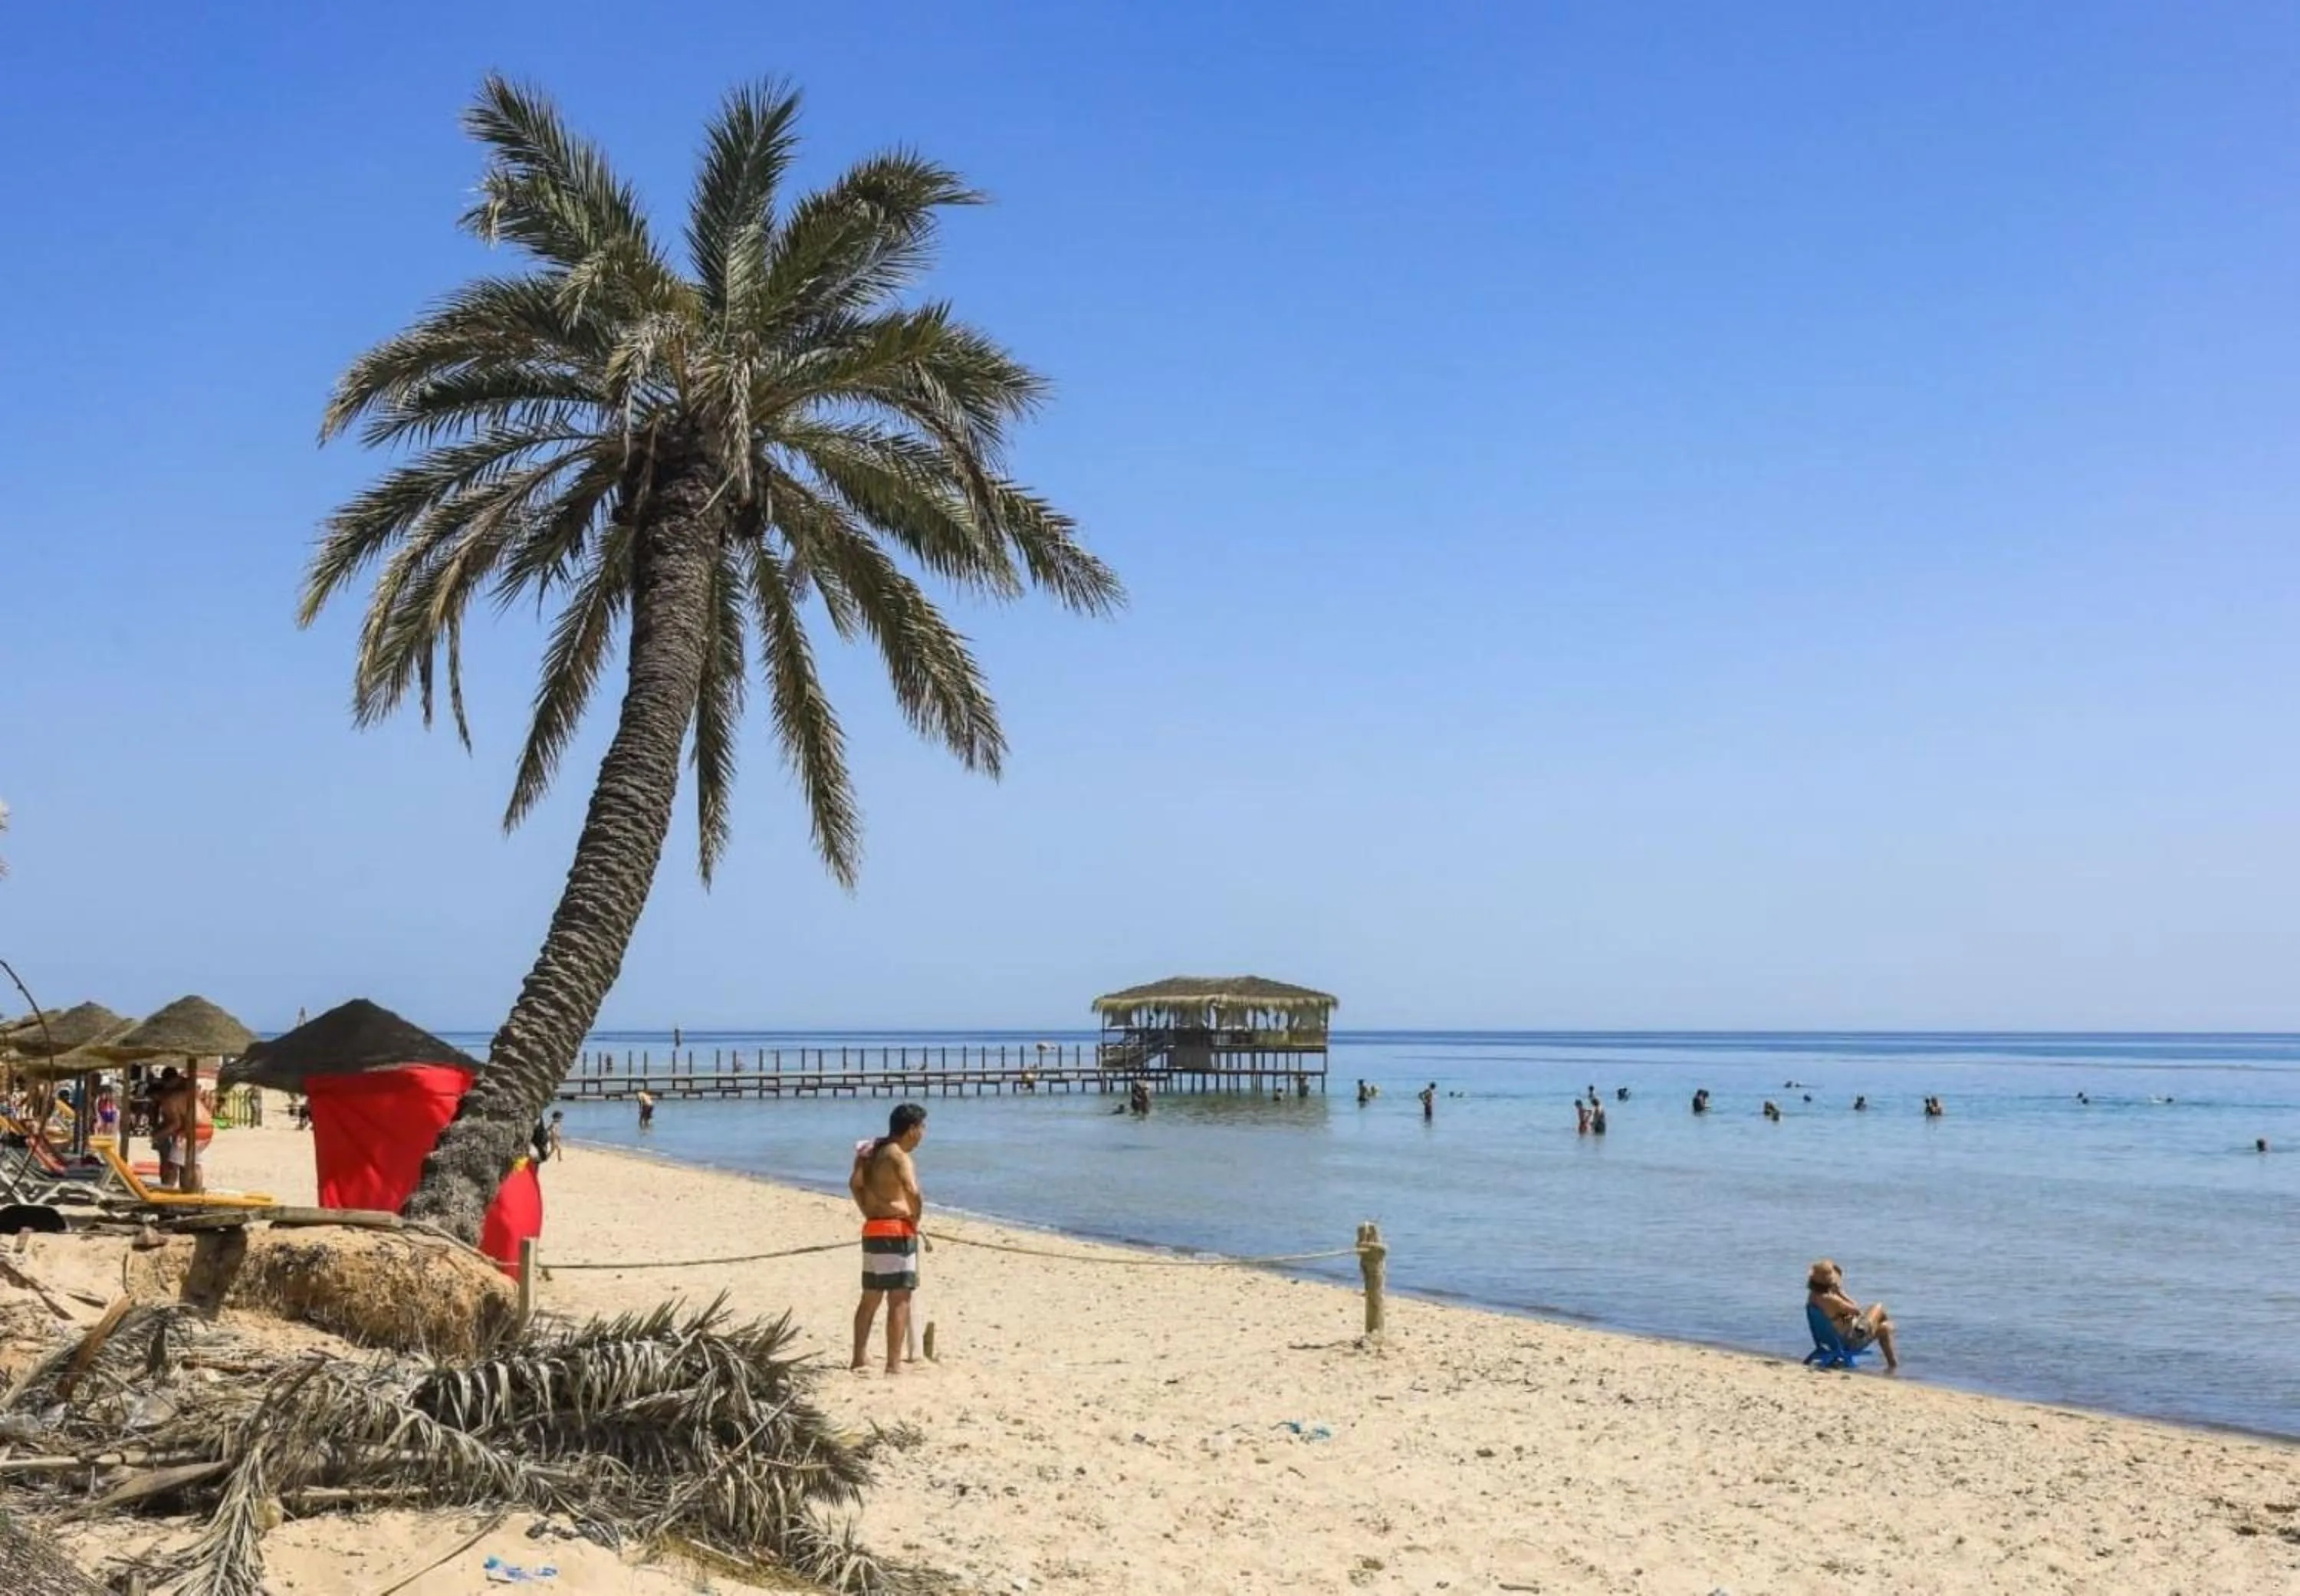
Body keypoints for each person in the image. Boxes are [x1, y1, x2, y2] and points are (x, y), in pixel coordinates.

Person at [850, 1104, 927, 1374]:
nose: (923, 1135)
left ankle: (859, 1357)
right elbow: (912, 1189)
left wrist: (867, 1209)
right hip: (896, 1230)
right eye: (922, 1128)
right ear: (912, 1129)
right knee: (899, 1298)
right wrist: (916, 1216)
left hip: (873, 1228)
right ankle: (894, 1364)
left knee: (871, 1296)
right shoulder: (898, 1155)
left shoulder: (871, 1152)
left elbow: (855, 1184)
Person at [1807, 1259, 1899, 1371]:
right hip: (1849, 1341)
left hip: (1831, 1340)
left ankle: (1892, 1365)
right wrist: (1840, 1292)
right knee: (1880, 1309)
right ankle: (1892, 1365)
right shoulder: (1832, 1300)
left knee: (1886, 1327)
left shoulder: (1813, 1297)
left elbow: (1839, 1315)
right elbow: (1856, 1309)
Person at [151, 1068, 196, 1191]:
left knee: (173, 1163)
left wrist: (158, 1134)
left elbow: (175, 1123)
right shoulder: (186, 1088)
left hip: (181, 1131)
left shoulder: (172, 1096)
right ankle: (181, 1189)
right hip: (184, 1130)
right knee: (182, 1163)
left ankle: (170, 1188)